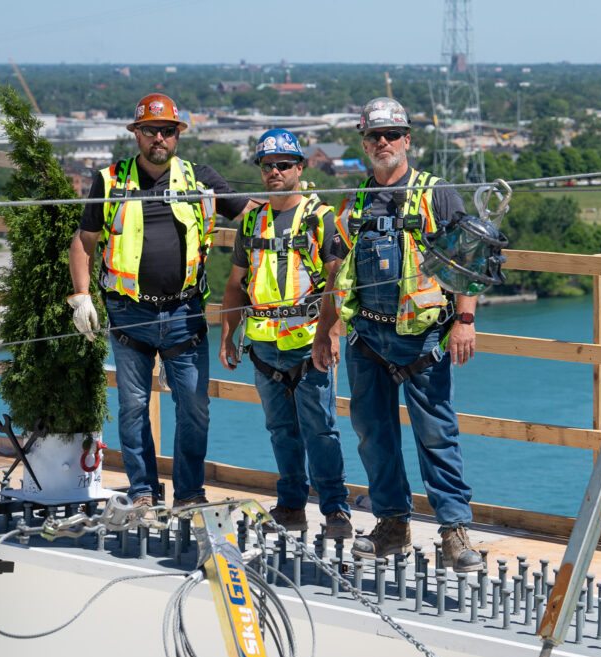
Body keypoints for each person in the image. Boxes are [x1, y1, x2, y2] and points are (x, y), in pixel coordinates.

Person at [311, 96, 483, 571]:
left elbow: (468, 259)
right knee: (374, 435)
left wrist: (464, 320)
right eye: (373, 136)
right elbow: (336, 275)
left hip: (423, 339)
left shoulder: (436, 194)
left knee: (436, 435)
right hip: (367, 339)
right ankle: (392, 524)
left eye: (390, 135)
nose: (382, 143)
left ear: (407, 140)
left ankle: (453, 529)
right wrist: (326, 331)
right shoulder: (355, 203)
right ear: (364, 143)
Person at [68, 93, 259, 511]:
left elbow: (253, 214)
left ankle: (188, 493)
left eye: (168, 131)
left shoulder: (199, 178)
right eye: (151, 130)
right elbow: (84, 242)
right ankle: (142, 492)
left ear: (177, 136)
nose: (160, 138)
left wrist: (301, 206)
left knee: (194, 407)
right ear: (136, 134)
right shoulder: (111, 180)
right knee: (133, 407)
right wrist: (81, 295)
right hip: (129, 312)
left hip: (184, 312)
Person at [219, 129, 353, 539]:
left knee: (322, 430)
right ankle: (292, 506)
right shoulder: (253, 222)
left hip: (308, 343)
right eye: (266, 166)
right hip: (263, 347)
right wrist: (228, 334)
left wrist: (329, 334)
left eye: (282, 165)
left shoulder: (319, 218)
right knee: (280, 431)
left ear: (300, 167)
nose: (274, 172)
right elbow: (234, 284)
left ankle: (335, 510)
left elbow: (338, 281)